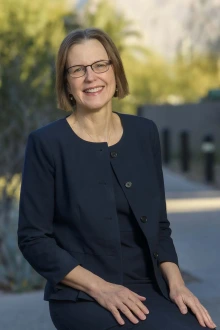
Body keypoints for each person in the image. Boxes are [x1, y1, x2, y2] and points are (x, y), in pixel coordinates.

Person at [17, 28, 217, 330]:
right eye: (78, 69)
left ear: (115, 70)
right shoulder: (47, 143)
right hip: (82, 296)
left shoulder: (144, 133)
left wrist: (177, 285)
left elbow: (159, 226)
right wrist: (102, 288)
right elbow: (33, 239)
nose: (91, 77)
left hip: (149, 287)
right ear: (66, 83)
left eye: (100, 65)